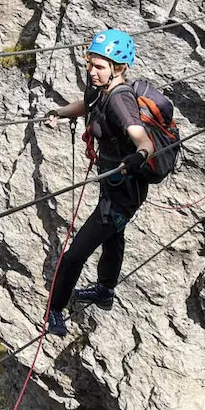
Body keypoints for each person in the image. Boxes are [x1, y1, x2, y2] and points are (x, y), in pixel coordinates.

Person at [44, 29, 154, 337]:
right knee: (113, 236)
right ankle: (105, 291)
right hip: (112, 182)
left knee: (75, 253)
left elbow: (142, 139)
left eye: (100, 66)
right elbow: (87, 105)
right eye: (91, 64)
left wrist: (140, 155)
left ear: (118, 69)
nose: (92, 71)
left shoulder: (120, 101)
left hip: (124, 193)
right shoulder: (99, 90)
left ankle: (55, 309)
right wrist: (61, 113)